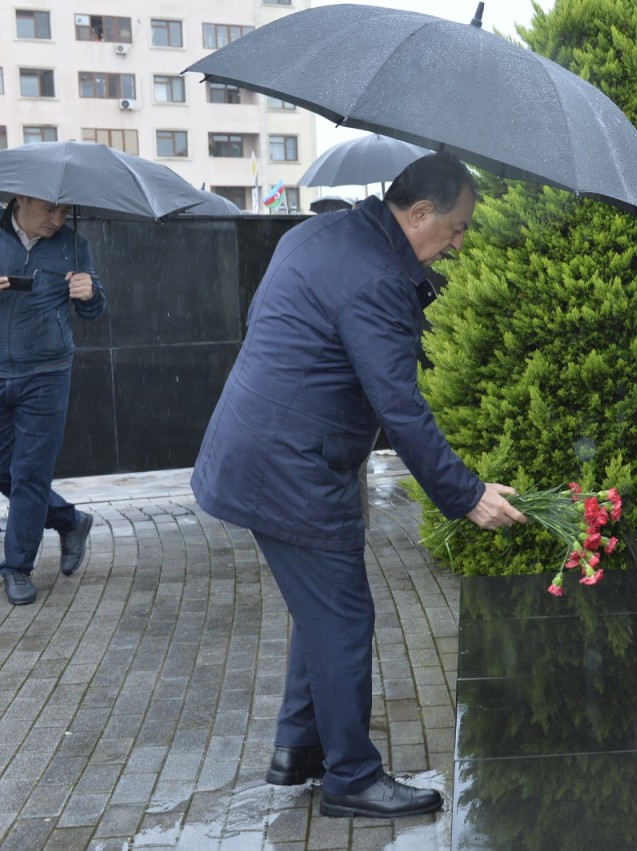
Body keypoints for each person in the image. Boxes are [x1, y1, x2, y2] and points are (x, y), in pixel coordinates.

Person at [191, 153, 526, 819]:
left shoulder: (323, 233)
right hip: (292, 467)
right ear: (420, 212)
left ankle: (298, 748)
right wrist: (466, 494)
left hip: (265, 448)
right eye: (458, 228)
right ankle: (351, 776)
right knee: (343, 615)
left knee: (321, 608)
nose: (459, 244)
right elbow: (399, 407)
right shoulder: (375, 276)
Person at [0, 197, 103, 606]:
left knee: (29, 473)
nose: (57, 219)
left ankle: (17, 568)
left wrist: (88, 294)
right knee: (7, 471)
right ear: (22, 198)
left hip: (46, 374)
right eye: (48, 209)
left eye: (63, 211)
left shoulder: (74, 246)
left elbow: (95, 310)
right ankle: (69, 520)